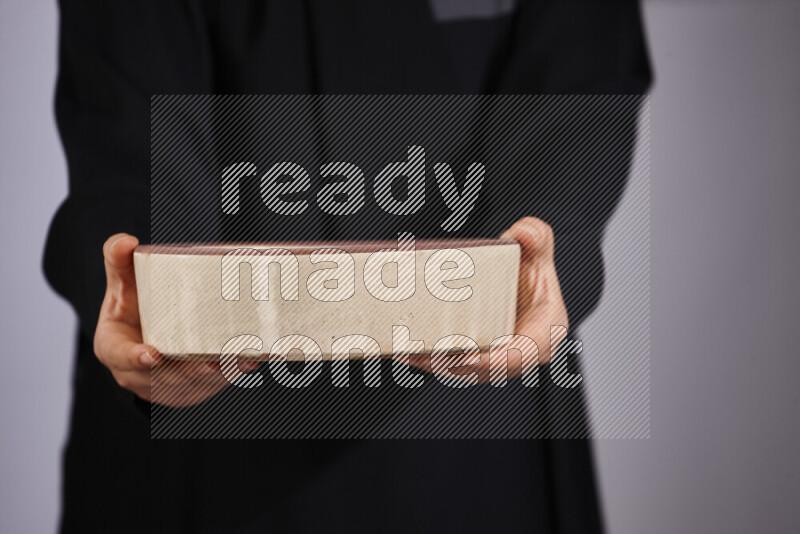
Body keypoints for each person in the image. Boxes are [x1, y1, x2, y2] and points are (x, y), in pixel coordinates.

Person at [44, 1, 651, 532]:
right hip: (194, 434)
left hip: (473, 414)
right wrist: (153, 306)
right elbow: (125, 129)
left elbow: (580, 91)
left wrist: (540, 260)